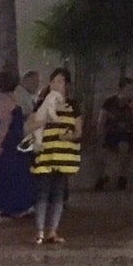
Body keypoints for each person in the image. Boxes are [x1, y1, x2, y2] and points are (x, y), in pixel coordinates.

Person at [31, 69, 82, 245]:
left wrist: (70, 136)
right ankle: (39, 232)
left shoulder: (73, 106)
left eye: (61, 81)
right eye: (55, 81)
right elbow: (29, 126)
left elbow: (78, 131)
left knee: (59, 194)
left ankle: (52, 231)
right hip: (46, 154)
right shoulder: (42, 103)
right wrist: (45, 120)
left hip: (64, 157)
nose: (58, 85)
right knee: (43, 193)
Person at [0, 69, 35, 216]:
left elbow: (4, 124)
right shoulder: (13, 97)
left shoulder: (2, 100)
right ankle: (17, 206)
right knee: (17, 173)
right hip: (17, 141)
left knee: (7, 175)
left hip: (8, 144)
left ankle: (12, 207)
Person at [97, 80, 133, 189]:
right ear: (122, 89)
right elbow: (101, 119)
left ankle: (122, 176)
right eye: (129, 89)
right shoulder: (110, 102)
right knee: (105, 153)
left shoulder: (132, 104)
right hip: (111, 132)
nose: (131, 92)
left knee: (124, 147)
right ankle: (104, 175)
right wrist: (100, 134)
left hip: (126, 133)